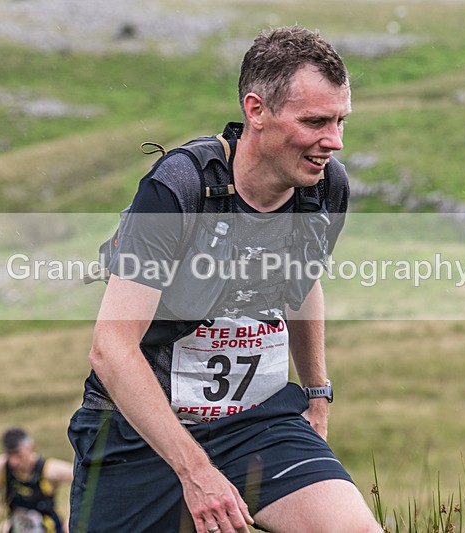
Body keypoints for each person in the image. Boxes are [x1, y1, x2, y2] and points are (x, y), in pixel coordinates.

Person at [67, 25, 385, 533]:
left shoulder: (325, 189)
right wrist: (197, 473)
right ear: (256, 110)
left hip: (260, 423)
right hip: (141, 432)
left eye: (341, 120)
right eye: (315, 121)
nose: (335, 142)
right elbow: (111, 348)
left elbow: (303, 286)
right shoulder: (178, 188)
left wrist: (317, 396)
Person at [0, 427, 74, 533]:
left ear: (31, 448)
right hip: (18, 526)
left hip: (49, 528)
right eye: (9, 455)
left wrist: (72, 520)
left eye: (18, 455)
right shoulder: (1, 466)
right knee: (4, 527)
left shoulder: (50, 469)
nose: (13, 462)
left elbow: (85, 480)